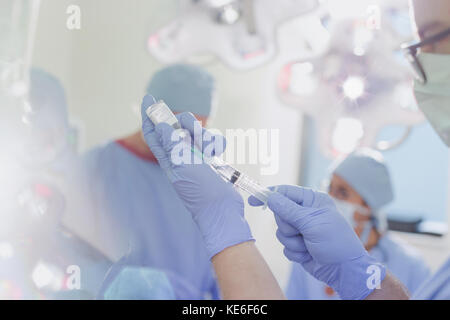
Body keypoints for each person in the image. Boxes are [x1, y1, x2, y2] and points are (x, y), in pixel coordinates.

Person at [139, 0, 450, 300]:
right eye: (421, 44)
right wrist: (357, 276)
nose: (422, 64)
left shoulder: (411, 265)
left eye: (434, 39)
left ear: (371, 204)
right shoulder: (327, 256)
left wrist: (223, 227)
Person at [82, 64, 221, 299]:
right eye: (178, 125)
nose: (185, 139)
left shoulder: (206, 182)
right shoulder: (96, 168)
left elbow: (222, 274)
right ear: (152, 113)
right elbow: (73, 260)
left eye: (197, 128)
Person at [286, 149, 430, 299]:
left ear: (369, 205)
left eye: (342, 193)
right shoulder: (309, 253)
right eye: (330, 188)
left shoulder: (410, 266)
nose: (329, 199)